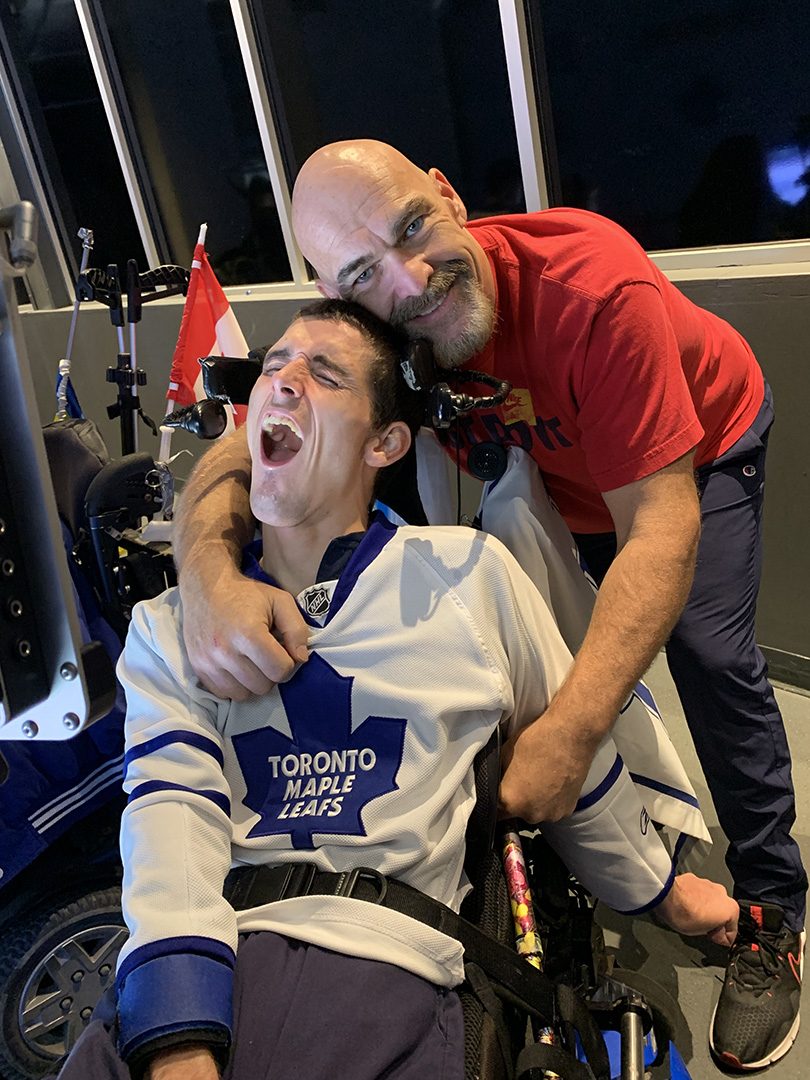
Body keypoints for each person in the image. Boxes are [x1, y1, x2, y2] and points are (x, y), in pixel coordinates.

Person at [173, 141, 806, 1072]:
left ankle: (772, 914)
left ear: (447, 193)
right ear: (342, 291)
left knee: (703, 651)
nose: (413, 278)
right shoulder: (384, 318)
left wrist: (575, 729)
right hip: (560, 471)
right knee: (535, 635)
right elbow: (247, 444)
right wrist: (209, 578)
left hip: (692, 454)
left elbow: (660, 527)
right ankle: (630, 844)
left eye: (414, 228)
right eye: (364, 273)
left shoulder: (590, 290)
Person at [58, 302, 737, 1080]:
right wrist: (178, 1039)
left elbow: (572, 761)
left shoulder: (465, 576)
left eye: (324, 374)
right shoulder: (171, 624)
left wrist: (661, 892)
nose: (282, 382)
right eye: (274, 365)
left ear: (386, 442)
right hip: (207, 960)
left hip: (391, 978)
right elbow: (168, 818)